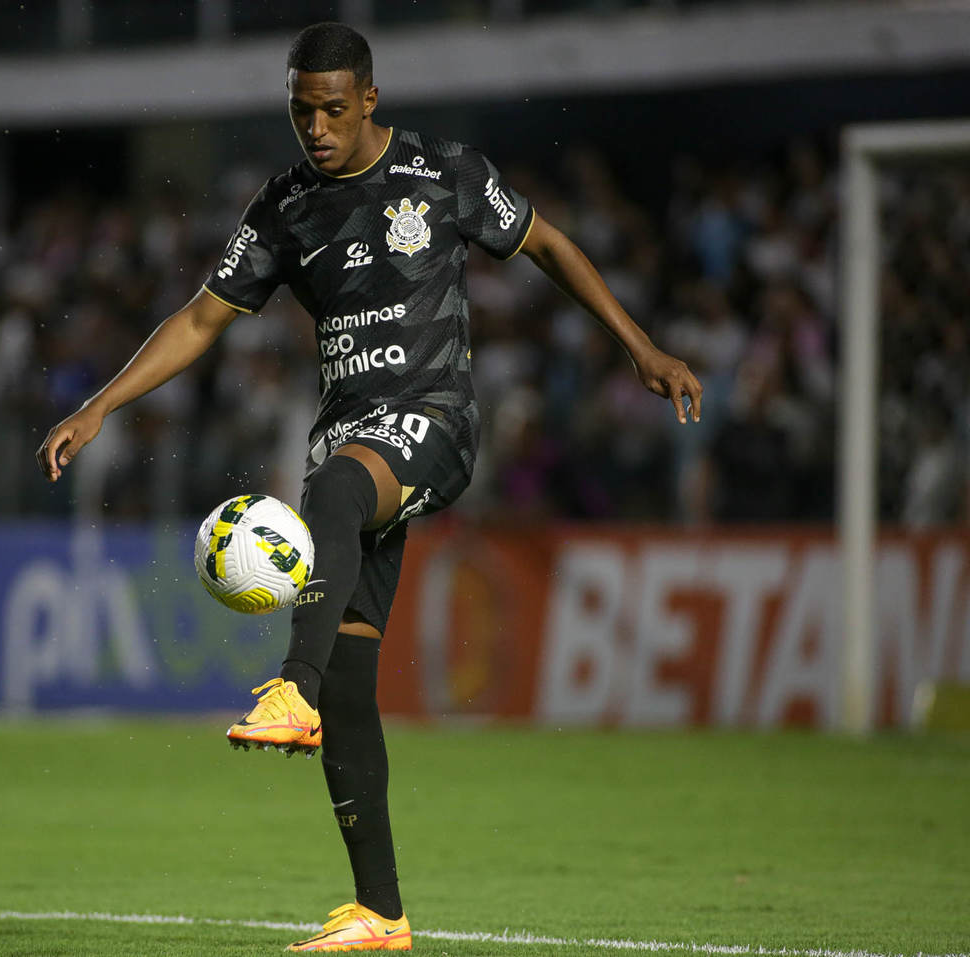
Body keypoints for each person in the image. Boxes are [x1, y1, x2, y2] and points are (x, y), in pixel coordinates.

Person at [36, 22, 702, 953]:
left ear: (371, 100)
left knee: (336, 497)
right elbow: (199, 319)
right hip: (349, 433)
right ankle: (381, 912)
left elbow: (545, 243)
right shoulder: (285, 208)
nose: (316, 127)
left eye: (333, 110)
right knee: (356, 669)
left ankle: (290, 687)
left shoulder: (443, 173)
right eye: (301, 110)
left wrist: (641, 347)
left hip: (434, 421)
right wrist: (101, 402)